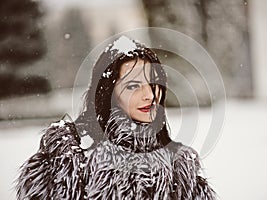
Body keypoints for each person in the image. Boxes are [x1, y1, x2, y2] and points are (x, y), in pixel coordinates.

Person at [16, 36, 216, 200]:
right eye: (133, 86)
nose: (150, 95)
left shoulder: (180, 168)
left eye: (154, 82)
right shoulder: (68, 156)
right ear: (108, 93)